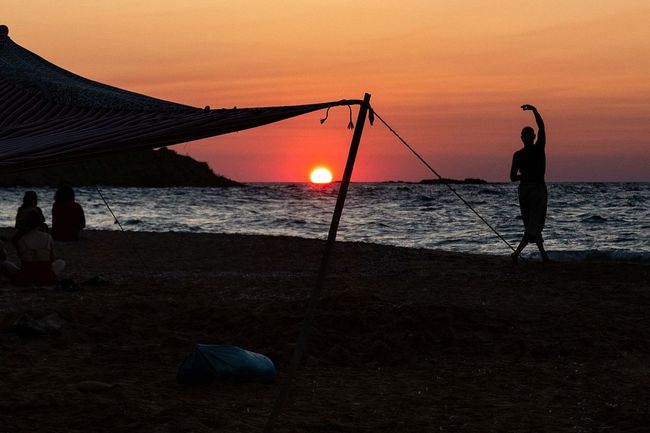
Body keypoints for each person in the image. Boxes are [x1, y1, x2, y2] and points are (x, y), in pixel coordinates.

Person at [510, 104, 550, 263]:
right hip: (536, 190)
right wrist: (535, 111)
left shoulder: (518, 154)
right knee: (534, 224)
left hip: (524, 191)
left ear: (522, 138)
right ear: (533, 137)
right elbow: (542, 127)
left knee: (532, 224)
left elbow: (513, 177)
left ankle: (544, 256)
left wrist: (523, 176)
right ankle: (516, 253)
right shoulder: (538, 148)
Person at [5, 209, 65, 286]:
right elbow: (53, 257)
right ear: (40, 223)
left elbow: (21, 258)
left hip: (26, 277)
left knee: (6, 264)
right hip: (45, 276)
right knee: (61, 262)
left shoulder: (21, 239)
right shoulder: (47, 237)